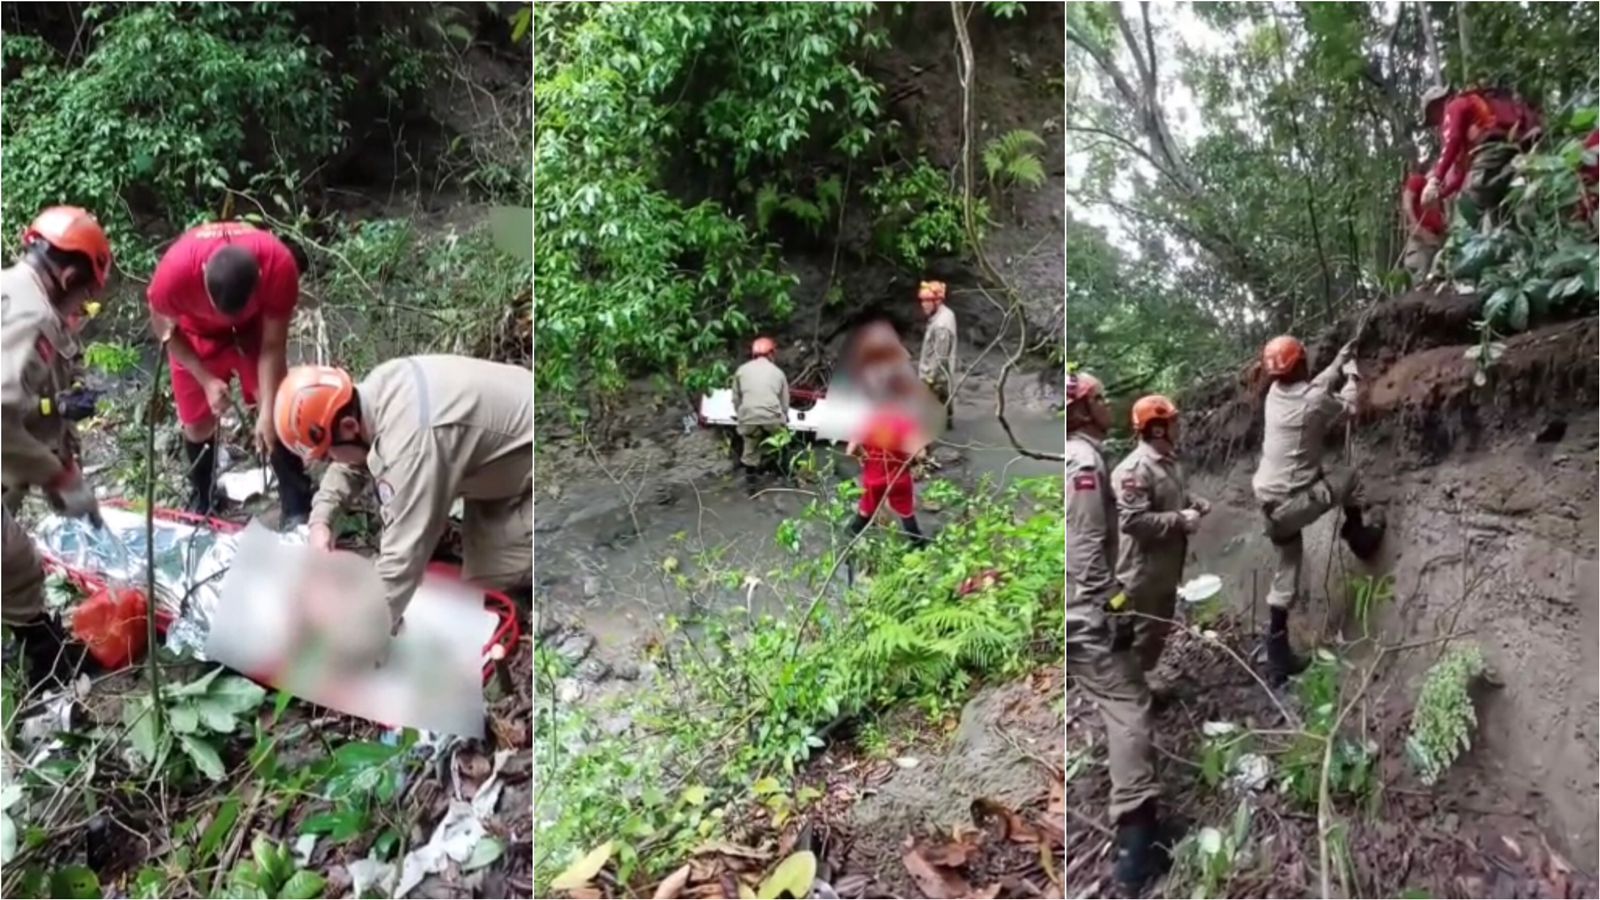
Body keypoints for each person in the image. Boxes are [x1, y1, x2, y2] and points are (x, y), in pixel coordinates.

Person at [275, 356, 533, 631]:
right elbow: (351, 462)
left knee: (491, 584)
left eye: (327, 455)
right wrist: (321, 520)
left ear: (349, 427)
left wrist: (359, 634)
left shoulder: (411, 446)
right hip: (500, 450)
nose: (332, 462)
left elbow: (402, 559)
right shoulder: (376, 392)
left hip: (534, 466)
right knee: (478, 570)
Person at [1066, 372, 1170, 889]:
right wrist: (1115, 603)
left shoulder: (1069, 455)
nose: (1109, 405)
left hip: (1067, 611)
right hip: (1082, 612)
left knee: (1119, 692)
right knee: (1129, 704)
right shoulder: (1085, 463)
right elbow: (1086, 549)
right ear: (1084, 410)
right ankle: (1137, 843)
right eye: (1100, 398)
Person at [1, 206, 112, 684]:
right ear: (68, 275)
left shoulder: (10, 287)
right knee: (19, 561)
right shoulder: (34, 316)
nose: (81, 306)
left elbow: (33, 410)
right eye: (84, 293)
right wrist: (60, 477)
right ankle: (42, 661)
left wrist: (65, 475)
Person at [146, 221, 313, 523]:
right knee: (196, 425)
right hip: (196, 335)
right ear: (202, 277)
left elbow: (272, 345)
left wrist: (266, 416)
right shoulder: (174, 273)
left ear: (259, 279)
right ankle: (205, 497)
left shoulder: (278, 264)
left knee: (275, 410)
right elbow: (165, 331)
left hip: (254, 331)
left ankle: (297, 502)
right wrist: (206, 379)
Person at [1252, 336, 1385, 686]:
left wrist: (1339, 358)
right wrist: (1352, 375)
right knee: (1347, 476)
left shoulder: (1274, 394)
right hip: (1294, 503)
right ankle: (1358, 535)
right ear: (1300, 364)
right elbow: (1348, 407)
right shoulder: (1311, 402)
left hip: (1269, 507)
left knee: (1288, 565)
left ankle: (1277, 655)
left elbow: (1313, 389)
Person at [1112, 395, 1209, 681]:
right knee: (1143, 632)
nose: (1179, 426)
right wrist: (1180, 520)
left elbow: (1168, 496)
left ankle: (1143, 678)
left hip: (1166, 566)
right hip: (1143, 571)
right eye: (1173, 421)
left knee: (1159, 628)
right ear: (1156, 429)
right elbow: (1133, 521)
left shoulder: (1168, 460)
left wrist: (1193, 502)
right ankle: (1131, 694)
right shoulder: (1133, 470)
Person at [1420, 84, 1543, 219]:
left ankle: (1517, 171)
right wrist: (1440, 194)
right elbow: (1461, 172)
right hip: (1498, 152)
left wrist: (1435, 179)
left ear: (1435, 106)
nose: (1436, 123)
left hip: (1494, 147)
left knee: (1478, 185)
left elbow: (1452, 141)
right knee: (1485, 207)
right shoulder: (1464, 127)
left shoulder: (1453, 106)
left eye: (1432, 116)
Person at [731, 336, 790, 492]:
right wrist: (783, 418)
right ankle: (784, 475)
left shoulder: (741, 371)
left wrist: (742, 414)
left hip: (748, 417)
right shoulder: (778, 373)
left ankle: (751, 485)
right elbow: (784, 403)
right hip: (772, 418)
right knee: (782, 442)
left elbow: (736, 399)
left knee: (750, 448)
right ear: (771, 353)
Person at [916, 280, 958, 430]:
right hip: (942, 375)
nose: (923, 304)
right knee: (943, 401)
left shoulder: (941, 325)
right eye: (922, 301)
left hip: (935, 375)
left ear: (937, 302)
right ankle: (946, 425)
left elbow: (940, 356)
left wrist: (929, 378)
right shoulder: (946, 314)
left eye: (927, 301)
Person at [1400, 171, 1448, 284]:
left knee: (1433, 281)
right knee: (1418, 276)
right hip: (1420, 241)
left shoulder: (1439, 195)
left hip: (1436, 241)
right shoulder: (1419, 181)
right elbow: (1407, 200)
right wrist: (1416, 225)